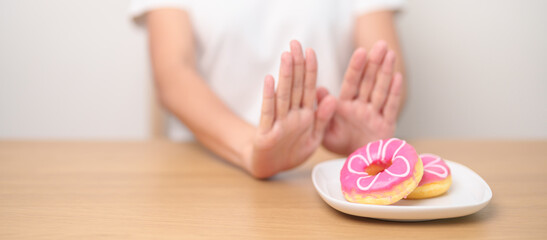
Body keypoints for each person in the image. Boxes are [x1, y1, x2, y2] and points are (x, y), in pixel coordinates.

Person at [130, 0, 406, 178]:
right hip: (206, 170)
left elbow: (389, 69)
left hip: (329, 172)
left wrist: (363, 127)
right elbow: (172, 75)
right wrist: (251, 147)